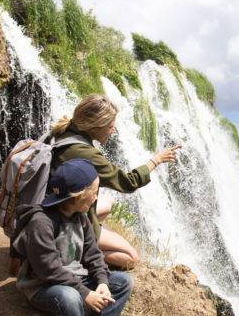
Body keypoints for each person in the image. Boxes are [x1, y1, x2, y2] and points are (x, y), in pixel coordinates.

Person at [11, 158, 132, 316]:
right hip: (42, 286)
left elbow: (94, 255)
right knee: (69, 298)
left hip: (73, 281)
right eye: (94, 192)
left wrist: (103, 283)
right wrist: (86, 293)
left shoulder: (81, 217)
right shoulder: (41, 222)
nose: (96, 198)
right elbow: (50, 270)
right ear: (77, 195)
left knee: (124, 282)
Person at [49, 94, 180, 269]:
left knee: (109, 203)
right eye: (110, 126)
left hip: (56, 204)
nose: (113, 130)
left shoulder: (63, 133)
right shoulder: (85, 153)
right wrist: (156, 160)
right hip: (64, 218)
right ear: (95, 126)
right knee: (132, 258)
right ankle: (79, 253)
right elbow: (127, 182)